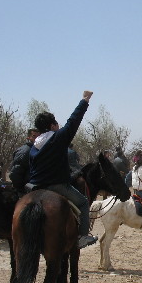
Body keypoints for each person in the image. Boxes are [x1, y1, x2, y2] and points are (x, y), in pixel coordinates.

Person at [28, 90, 97, 249]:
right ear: (52, 126)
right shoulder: (57, 138)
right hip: (56, 184)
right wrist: (84, 100)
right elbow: (74, 120)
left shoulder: (34, 146)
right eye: (56, 123)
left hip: (34, 186)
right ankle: (83, 236)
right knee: (84, 203)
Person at [9, 128, 40, 193]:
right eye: (34, 136)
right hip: (26, 191)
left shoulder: (39, 150)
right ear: (28, 137)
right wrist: (21, 190)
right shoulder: (25, 152)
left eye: (39, 136)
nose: (37, 138)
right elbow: (15, 174)